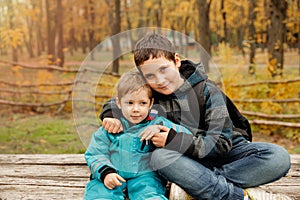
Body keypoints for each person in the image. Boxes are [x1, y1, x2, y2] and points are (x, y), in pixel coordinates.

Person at [100, 33, 291, 200]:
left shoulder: (207, 91)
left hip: (225, 151)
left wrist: (175, 140)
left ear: (176, 60)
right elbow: (120, 100)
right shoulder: (149, 93)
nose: (159, 80)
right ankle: (234, 195)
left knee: (278, 157)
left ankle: (194, 186)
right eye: (150, 76)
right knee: (159, 157)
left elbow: (222, 144)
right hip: (185, 160)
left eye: (163, 69)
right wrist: (110, 115)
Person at [84, 70, 192, 200]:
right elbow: (95, 153)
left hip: (144, 176)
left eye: (142, 103)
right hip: (113, 174)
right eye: (130, 103)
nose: (136, 109)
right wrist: (106, 173)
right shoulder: (113, 126)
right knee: (99, 194)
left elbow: (186, 135)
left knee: (150, 195)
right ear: (118, 103)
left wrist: (163, 130)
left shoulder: (158, 122)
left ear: (151, 104)